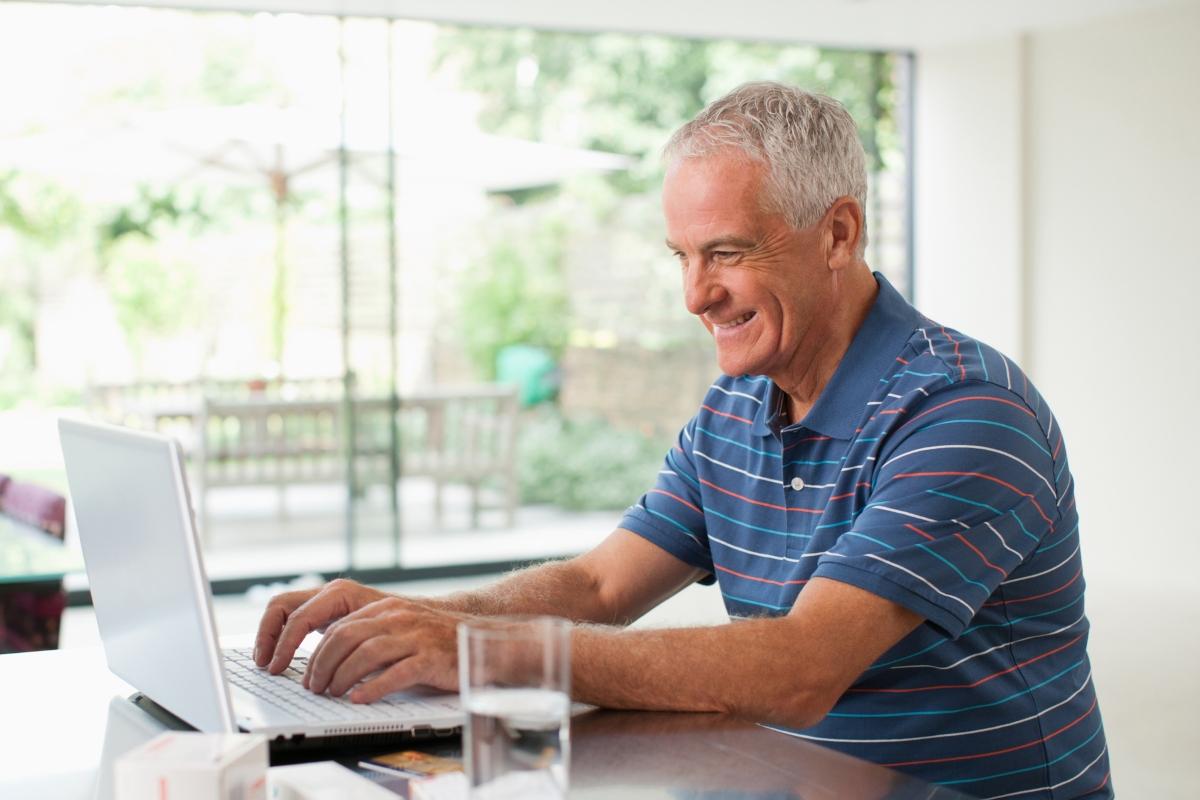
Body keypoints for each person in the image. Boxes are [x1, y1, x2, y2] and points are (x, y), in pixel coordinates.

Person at [254, 83, 1111, 799]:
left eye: (727, 254)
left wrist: (481, 653)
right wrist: (409, 618)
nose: (696, 296)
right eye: (682, 257)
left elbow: (800, 670)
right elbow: (597, 585)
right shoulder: (739, 404)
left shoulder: (966, 412)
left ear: (839, 234)